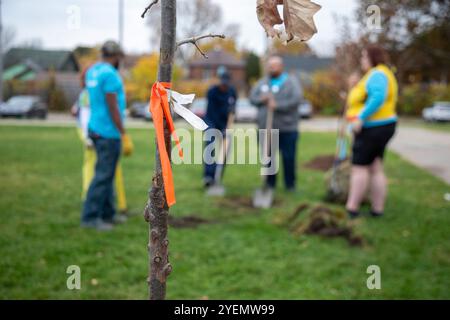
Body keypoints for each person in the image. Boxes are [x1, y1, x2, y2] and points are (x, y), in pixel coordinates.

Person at [81, 40, 134, 231]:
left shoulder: (92, 71)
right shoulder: (111, 75)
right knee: (103, 175)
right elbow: (113, 107)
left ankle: (108, 213)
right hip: (108, 131)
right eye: (120, 58)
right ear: (115, 57)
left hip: (94, 127)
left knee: (108, 172)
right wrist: (123, 132)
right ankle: (90, 216)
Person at [345, 45, 398, 218]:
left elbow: (377, 98)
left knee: (359, 168)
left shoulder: (377, 74)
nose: (362, 60)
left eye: (363, 57)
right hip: (382, 126)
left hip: (373, 128)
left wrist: (360, 118)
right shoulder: (381, 73)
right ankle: (377, 209)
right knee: (375, 167)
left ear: (371, 57)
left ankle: (352, 208)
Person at [72, 66, 129, 216]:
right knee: (98, 173)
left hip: (102, 134)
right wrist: (86, 138)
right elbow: (84, 115)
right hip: (98, 135)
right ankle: (90, 208)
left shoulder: (90, 93)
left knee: (107, 174)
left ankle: (109, 210)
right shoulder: (88, 94)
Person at [249, 55, 302, 192]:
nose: (271, 68)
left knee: (288, 157)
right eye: (269, 66)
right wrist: (262, 99)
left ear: (281, 66)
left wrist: (277, 105)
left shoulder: (291, 82)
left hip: (287, 128)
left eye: (274, 66)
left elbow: (296, 100)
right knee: (268, 157)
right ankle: (270, 184)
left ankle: (290, 185)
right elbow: (252, 98)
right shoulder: (263, 83)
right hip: (266, 128)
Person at [203, 67, 237, 187]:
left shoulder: (232, 91)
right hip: (211, 122)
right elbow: (212, 112)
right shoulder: (212, 91)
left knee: (225, 151)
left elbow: (232, 110)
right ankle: (208, 176)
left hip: (225, 125)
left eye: (226, 84)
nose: (224, 86)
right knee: (210, 149)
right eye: (222, 83)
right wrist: (220, 129)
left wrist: (227, 127)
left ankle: (218, 177)